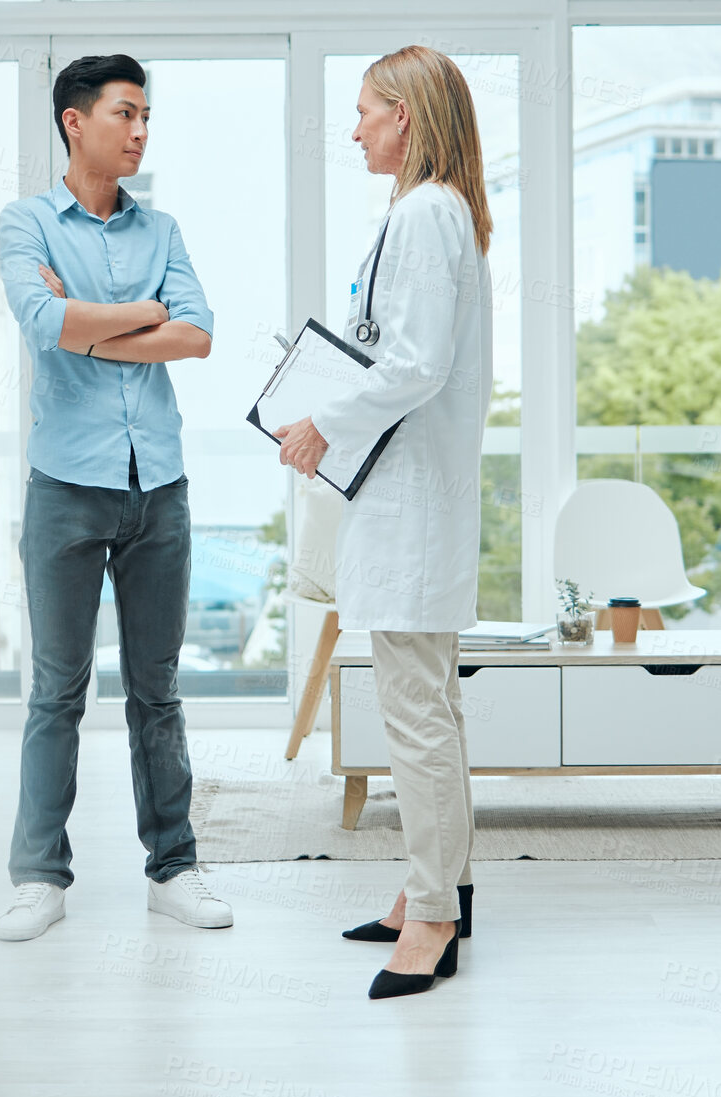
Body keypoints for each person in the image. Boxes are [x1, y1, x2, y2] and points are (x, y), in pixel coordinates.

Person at [0, 54, 230, 941]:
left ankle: (172, 867)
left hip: (156, 486)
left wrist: (90, 324)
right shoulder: (25, 222)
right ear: (73, 121)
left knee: (157, 690)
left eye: (146, 118)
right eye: (124, 114)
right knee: (58, 689)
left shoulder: (160, 229)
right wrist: (137, 317)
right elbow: (40, 319)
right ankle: (38, 878)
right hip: (65, 486)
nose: (137, 132)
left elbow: (199, 336)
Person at [272, 45, 493, 999]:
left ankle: (434, 915)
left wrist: (322, 417)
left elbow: (412, 367)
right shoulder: (432, 214)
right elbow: (397, 356)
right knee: (432, 706)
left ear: (404, 116)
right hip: (414, 496)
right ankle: (438, 885)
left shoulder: (424, 213)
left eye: (365, 110)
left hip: (412, 505)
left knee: (416, 717)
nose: (354, 126)